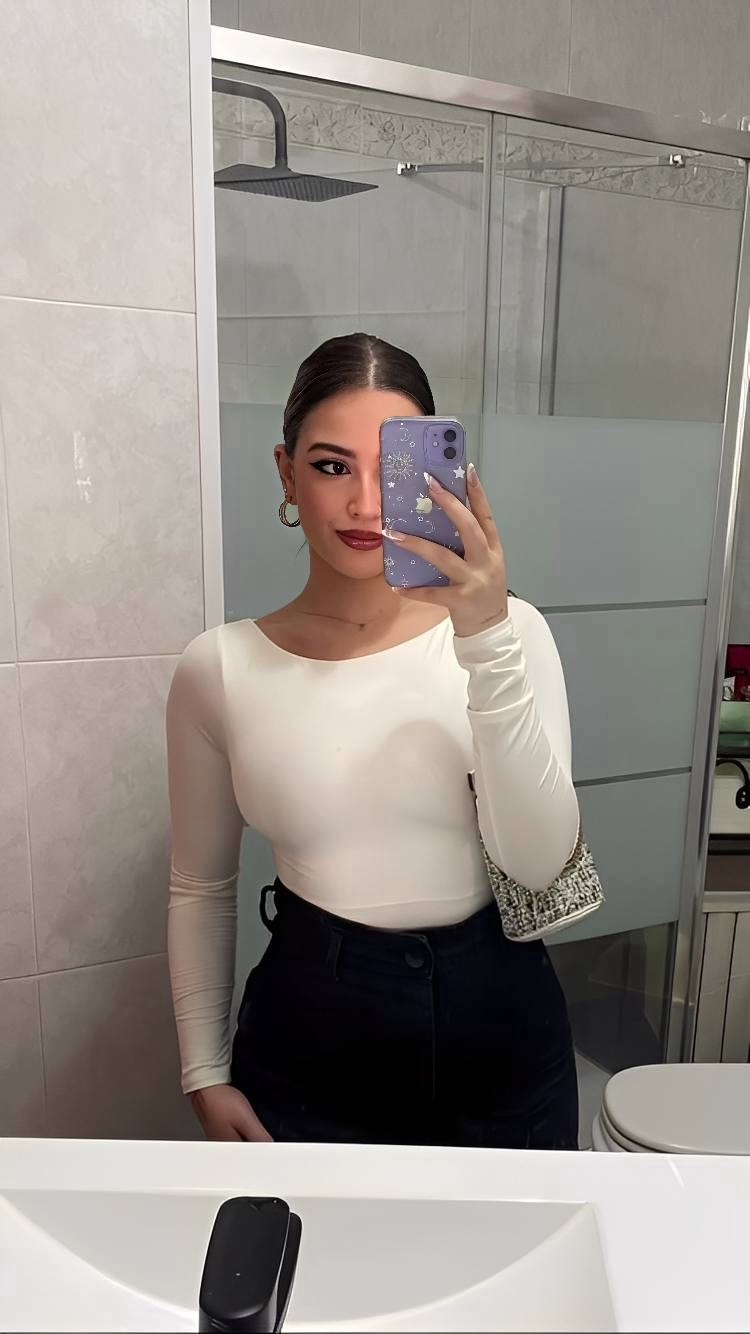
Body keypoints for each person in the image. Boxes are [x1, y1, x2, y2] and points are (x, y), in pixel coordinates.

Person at [166, 332, 580, 1148]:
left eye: (391, 469)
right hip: (312, 1038)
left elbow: (540, 868)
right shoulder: (221, 669)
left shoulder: (511, 633)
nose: (364, 504)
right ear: (287, 473)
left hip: (504, 1034)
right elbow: (200, 886)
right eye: (331, 466)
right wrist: (203, 1072)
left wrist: (485, 637)